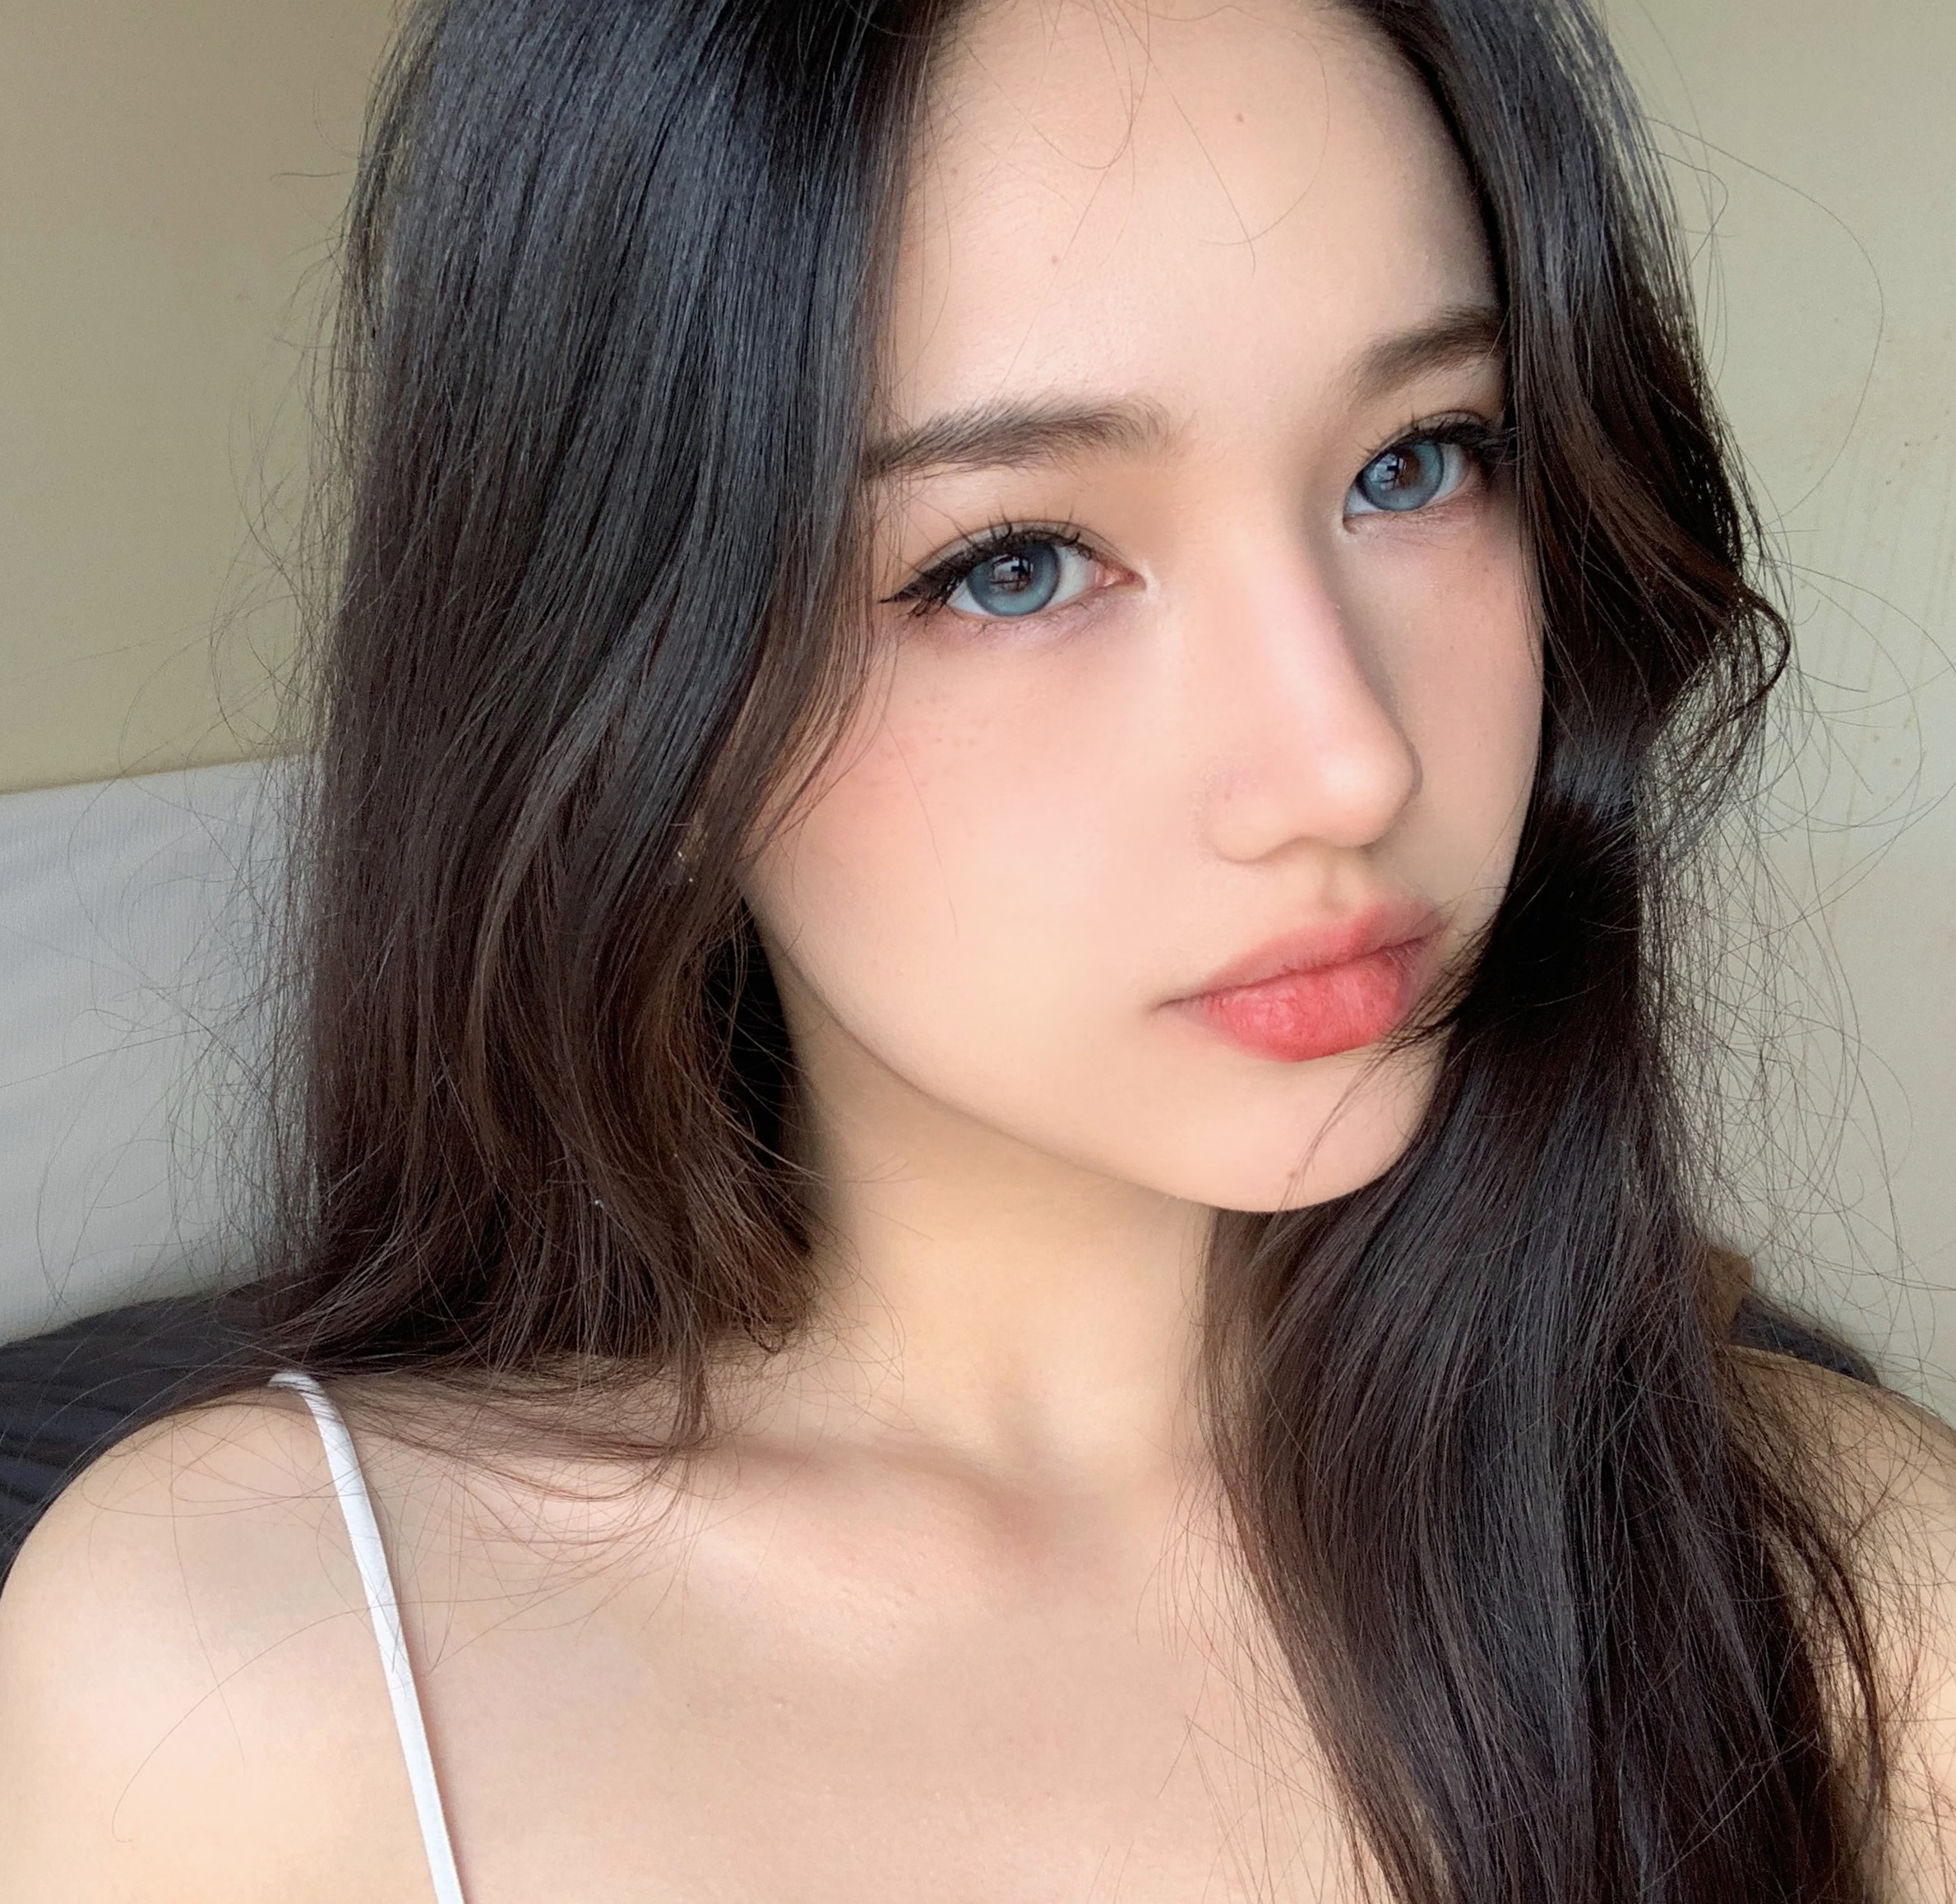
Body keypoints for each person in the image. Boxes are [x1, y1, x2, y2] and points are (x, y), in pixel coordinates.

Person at [2, 0, 1953, 1897]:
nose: (1344, 761)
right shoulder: (256, 1672)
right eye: (1010, 564)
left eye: (1417, 460)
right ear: (630, 696)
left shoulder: (1855, 1588)